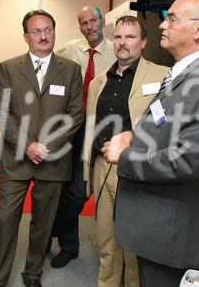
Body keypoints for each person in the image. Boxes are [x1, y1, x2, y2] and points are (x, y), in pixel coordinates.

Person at [101, 0, 199, 287]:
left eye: (172, 18)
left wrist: (124, 155)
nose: (162, 25)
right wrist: (135, 135)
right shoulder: (184, 72)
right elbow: (168, 125)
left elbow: (186, 160)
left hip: (176, 237)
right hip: (161, 230)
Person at [0, 9, 84, 287]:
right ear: (26, 36)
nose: (44, 36)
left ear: (54, 32)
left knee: (44, 222)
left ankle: (32, 274)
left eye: (48, 30)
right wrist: (28, 145)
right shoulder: (8, 66)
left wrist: (47, 146)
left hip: (53, 161)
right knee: (5, 220)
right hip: (16, 158)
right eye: (37, 31)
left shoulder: (71, 69)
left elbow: (75, 115)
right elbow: (2, 111)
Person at [84, 16, 168, 287]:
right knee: (106, 239)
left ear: (143, 42)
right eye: (118, 37)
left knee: (132, 245)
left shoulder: (161, 76)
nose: (123, 43)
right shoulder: (100, 81)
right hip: (101, 167)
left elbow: (165, 125)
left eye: (130, 37)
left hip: (133, 168)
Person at [51, 4, 117, 268]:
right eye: (84, 23)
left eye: (93, 21)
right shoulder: (70, 49)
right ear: (79, 27)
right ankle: (69, 247)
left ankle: (51, 228)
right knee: (71, 188)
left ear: (102, 22)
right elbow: (47, 64)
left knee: (83, 192)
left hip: (103, 130)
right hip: (74, 128)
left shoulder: (115, 50)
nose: (89, 27)